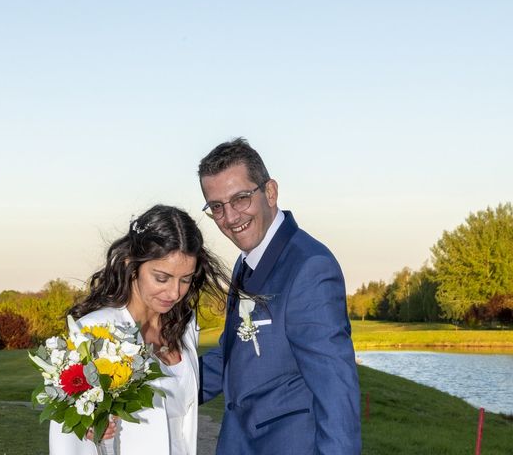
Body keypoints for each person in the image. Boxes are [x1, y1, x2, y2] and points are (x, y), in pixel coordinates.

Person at [197, 138, 362, 454]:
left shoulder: (309, 267)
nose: (230, 218)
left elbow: (335, 390)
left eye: (241, 198)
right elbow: (232, 357)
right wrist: (150, 383)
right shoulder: (246, 261)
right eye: (217, 207)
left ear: (270, 192)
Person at [49, 204, 229, 455]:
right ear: (132, 265)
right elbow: (69, 442)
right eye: (162, 278)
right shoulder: (94, 331)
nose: (175, 293)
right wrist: (89, 427)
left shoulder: (184, 326)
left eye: (185, 279)